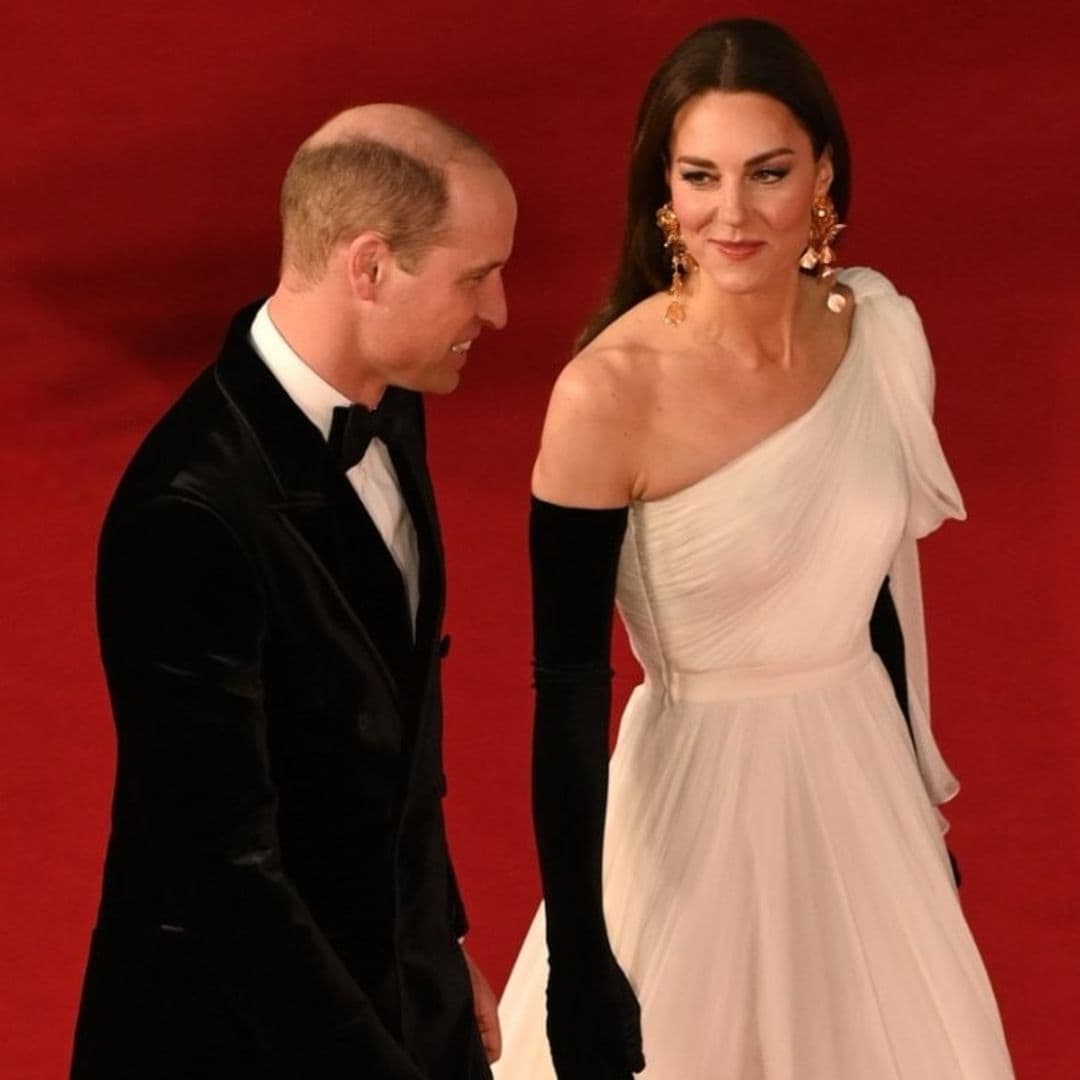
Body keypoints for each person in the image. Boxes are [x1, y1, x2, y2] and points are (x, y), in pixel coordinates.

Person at [495, 19, 1014, 1080]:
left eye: (768, 173)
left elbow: (871, 596)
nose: (731, 214)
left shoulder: (875, 331)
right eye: (700, 176)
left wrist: (915, 805)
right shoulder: (608, 395)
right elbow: (567, 686)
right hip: (695, 812)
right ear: (663, 191)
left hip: (861, 786)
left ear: (824, 174)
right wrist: (582, 959)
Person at [70, 103, 516, 1080]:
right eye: (475, 278)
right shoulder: (187, 516)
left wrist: (438, 948)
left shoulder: (393, 404)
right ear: (370, 267)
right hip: (237, 1041)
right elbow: (229, 883)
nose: (498, 313)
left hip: (390, 995)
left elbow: (386, 755)